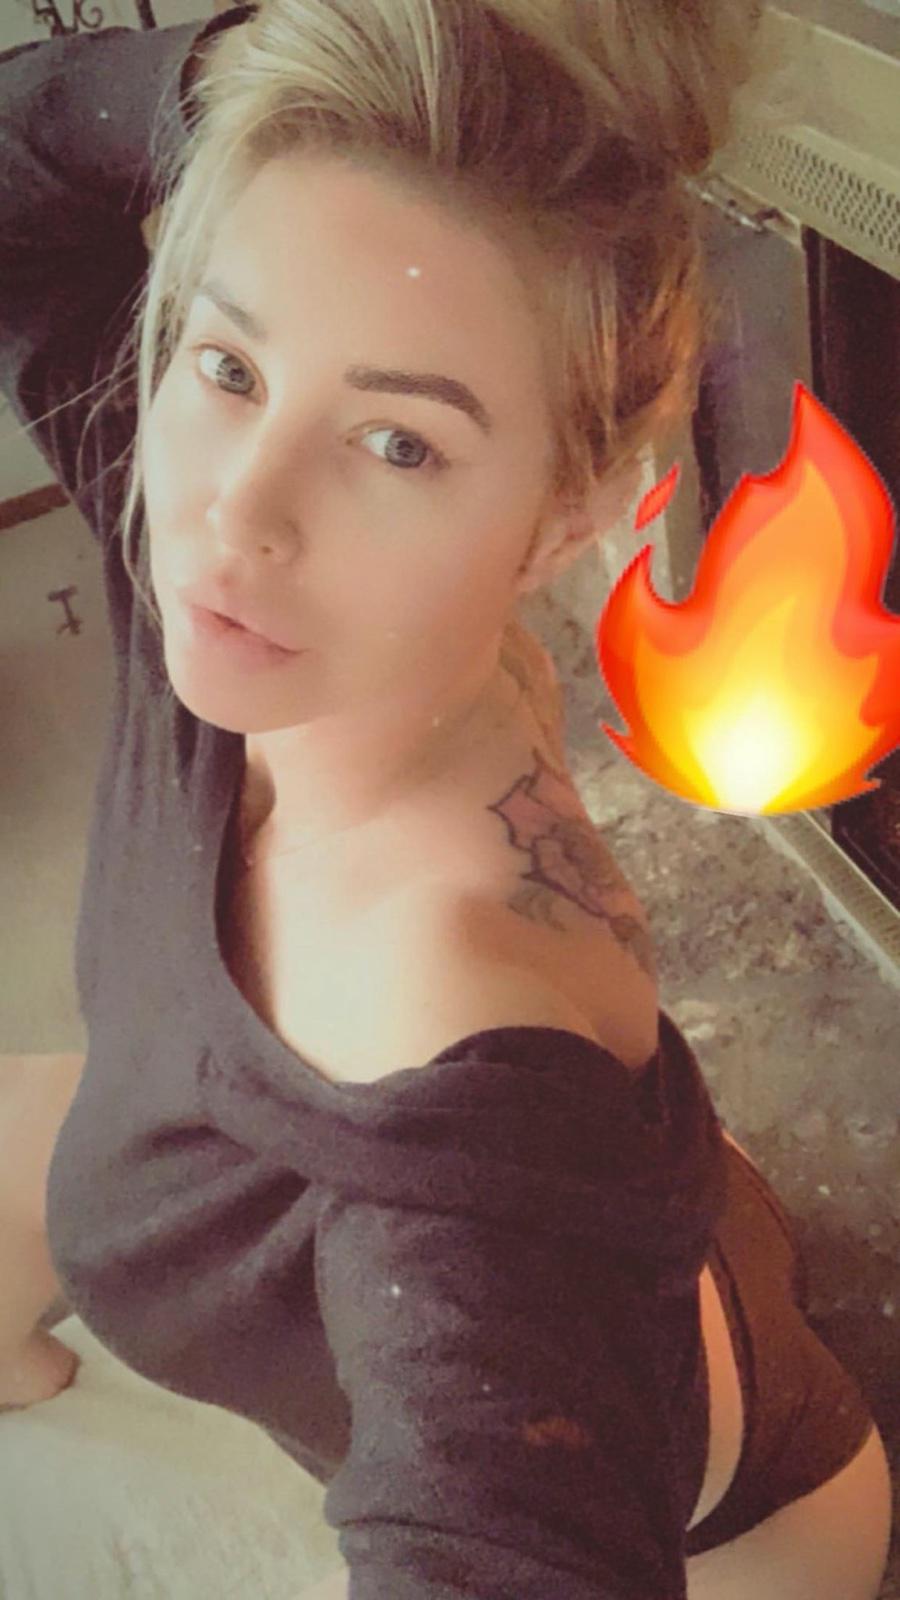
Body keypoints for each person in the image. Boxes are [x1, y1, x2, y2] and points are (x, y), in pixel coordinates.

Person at [0, 3, 891, 1598]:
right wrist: (233, 77)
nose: (235, 513)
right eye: (230, 361)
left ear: (568, 516)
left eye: (398, 445)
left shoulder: (464, 1043)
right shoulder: (221, 585)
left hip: (749, 1545)